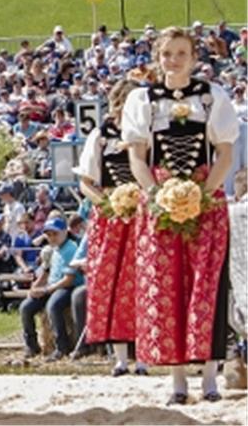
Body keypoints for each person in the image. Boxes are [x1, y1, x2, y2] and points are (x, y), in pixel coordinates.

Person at [122, 27, 238, 404]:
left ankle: (209, 379)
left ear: (194, 58)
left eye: (181, 53)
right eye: (167, 53)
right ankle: (177, 382)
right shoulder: (143, 100)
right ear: (158, 58)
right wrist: (158, 196)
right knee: (166, 286)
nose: (173, 60)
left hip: (206, 198)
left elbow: (224, 154)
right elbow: (137, 158)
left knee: (206, 284)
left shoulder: (211, 96)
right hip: (160, 199)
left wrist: (201, 195)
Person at [73, 79, 143, 375]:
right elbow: (86, 182)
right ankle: (120, 358)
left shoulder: (147, 134)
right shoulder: (101, 136)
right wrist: (109, 202)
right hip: (111, 217)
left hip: (142, 214)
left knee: (143, 282)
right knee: (110, 283)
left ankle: (143, 356)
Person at [18, 216, 82, 360]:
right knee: (25, 307)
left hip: (68, 287)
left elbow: (68, 279)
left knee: (53, 306)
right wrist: (35, 288)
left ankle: (62, 347)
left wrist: (47, 290)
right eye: (49, 234)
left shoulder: (71, 248)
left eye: (55, 234)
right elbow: (46, 272)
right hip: (53, 285)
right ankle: (31, 345)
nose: (52, 237)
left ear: (65, 232)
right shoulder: (53, 249)